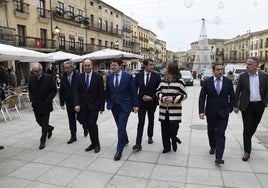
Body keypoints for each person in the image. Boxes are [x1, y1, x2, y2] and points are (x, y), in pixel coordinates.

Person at [199, 62, 235, 165]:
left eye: (221, 69)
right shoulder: (207, 82)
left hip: (223, 113)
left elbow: (233, 97)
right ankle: (213, 146)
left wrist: (229, 109)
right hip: (210, 112)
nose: (220, 72)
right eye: (218, 70)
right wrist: (201, 111)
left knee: (220, 133)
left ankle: (219, 157)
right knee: (211, 131)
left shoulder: (228, 82)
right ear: (213, 71)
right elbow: (202, 97)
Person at [234, 57, 268, 162]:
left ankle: (247, 139)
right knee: (247, 128)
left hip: (259, 106)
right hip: (246, 106)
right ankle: (247, 151)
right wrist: (236, 105)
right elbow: (237, 91)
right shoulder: (243, 76)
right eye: (247, 63)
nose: (247, 65)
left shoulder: (264, 76)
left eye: (249, 64)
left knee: (254, 127)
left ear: (256, 65)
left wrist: (264, 102)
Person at [106, 58, 138, 160]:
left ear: (120, 66)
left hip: (125, 105)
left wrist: (135, 105)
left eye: (115, 65)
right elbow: (108, 90)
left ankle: (119, 150)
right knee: (119, 125)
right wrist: (108, 101)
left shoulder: (127, 76)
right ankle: (125, 140)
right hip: (114, 105)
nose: (113, 67)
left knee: (121, 127)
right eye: (112, 65)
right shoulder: (109, 77)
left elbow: (133, 91)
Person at [74, 58, 105, 153]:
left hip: (94, 106)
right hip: (83, 106)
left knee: (92, 124)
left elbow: (101, 93)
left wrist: (101, 107)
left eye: (88, 65)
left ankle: (97, 144)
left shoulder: (98, 77)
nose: (87, 67)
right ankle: (93, 143)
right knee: (87, 125)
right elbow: (76, 92)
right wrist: (77, 104)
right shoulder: (79, 77)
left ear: (92, 66)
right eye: (85, 65)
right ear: (83, 66)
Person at [156, 63, 187, 153]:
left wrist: (173, 99)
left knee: (173, 129)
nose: (165, 70)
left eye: (166, 69)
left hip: (175, 111)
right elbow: (157, 92)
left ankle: (174, 138)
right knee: (164, 130)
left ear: (171, 71)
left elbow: (184, 95)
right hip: (163, 110)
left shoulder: (180, 82)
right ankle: (166, 147)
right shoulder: (162, 81)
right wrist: (162, 98)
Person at [132, 59, 161, 152]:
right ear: (145, 66)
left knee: (151, 120)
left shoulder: (157, 76)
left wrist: (151, 98)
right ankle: (138, 143)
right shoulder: (138, 76)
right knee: (141, 122)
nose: (152, 66)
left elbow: (159, 90)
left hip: (152, 102)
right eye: (150, 65)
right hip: (141, 103)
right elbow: (135, 90)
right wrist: (135, 104)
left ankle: (150, 136)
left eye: (153, 65)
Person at [28, 63, 57, 150]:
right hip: (36, 104)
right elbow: (30, 90)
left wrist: (48, 100)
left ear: (41, 70)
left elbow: (53, 90)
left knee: (44, 123)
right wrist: (32, 99)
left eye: (37, 71)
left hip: (46, 104)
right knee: (38, 120)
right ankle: (50, 128)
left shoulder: (49, 78)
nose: (36, 73)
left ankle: (42, 141)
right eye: (34, 71)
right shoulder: (31, 78)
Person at [59, 61, 88, 144]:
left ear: (72, 68)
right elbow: (62, 91)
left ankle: (85, 127)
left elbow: (83, 90)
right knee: (71, 119)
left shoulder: (79, 76)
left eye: (68, 68)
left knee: (80, 118)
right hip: (69, 102)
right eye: (65, 68)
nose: (66, 69)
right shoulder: (63, 77)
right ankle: (73, 136)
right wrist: (62, 102)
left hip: (79, 102)